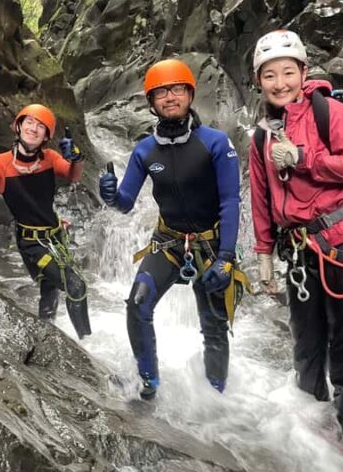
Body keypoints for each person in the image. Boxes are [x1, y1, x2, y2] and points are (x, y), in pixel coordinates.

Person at [248, 29, 343, 450]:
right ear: (259, 82)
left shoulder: (333, 112)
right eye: (269, 76)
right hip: (302, 252)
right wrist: (265, 253)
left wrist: (303, 158)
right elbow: (261, 195)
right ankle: (309, 431)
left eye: (288, 72)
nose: (279, 83)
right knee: (307, 345)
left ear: (304, 72)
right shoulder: (261, 135)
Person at [99, 59, 241, 400]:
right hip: (169, 243)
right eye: (161, 92)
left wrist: (226, 257)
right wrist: (110, 195)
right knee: (137, 303)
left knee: (214, 327)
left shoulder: (216, 143)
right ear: (151, 103)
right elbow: (126, 203)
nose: (170, 97)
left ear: (190, 94)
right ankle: (148, 382)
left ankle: (215, 396)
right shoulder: (145, 150)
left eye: (177, 89)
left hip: (211, 246)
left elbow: (231, 202)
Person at [0, 104, 91, 339]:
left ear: (46, 137)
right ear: (18, 126)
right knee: (76, 286)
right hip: (31, 242)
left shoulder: (49, 158)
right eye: (29, 122)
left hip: (54, 235)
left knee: (50, 288)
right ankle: (86, 342)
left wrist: (77, 157)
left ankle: (46, 332)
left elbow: (73, 175)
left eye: (41, 126)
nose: (34, 129)